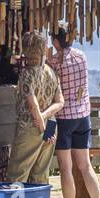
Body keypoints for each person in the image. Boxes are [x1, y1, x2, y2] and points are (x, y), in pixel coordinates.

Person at [48, 25, 100, 198]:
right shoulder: (81, 55)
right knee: (85, 166)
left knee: (66, 168)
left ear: (56, 41)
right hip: (83, 116)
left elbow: (49, 82)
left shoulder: (54, 61)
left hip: (64, 118)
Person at [9, 31, 63, 184]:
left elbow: (33, 107)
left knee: (17, 175)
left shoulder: (26, 74)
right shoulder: (51, 72)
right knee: (40, 176)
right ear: (44, 49)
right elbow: (60, 102)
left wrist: (41, 124)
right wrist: (46, 121)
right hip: (51, 128)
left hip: (30, 127)